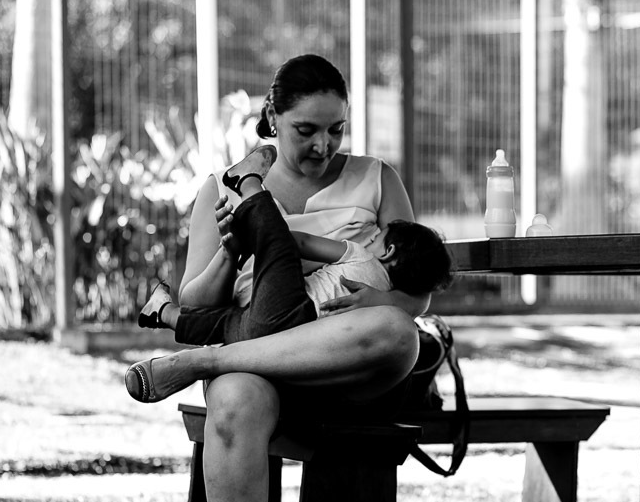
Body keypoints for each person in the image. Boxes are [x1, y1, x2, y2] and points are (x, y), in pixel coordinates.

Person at [125, 54, 433, 502]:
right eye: (306, 131)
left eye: (336, 130)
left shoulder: (377, 178)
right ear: (274, 116)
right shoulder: (219, 189)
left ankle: (207, 362)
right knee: (235, 399)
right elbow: (197, 298)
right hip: (260, 357)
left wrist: (372, 295)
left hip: (347, 363)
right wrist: (229, 250)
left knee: (399, 333)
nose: (323, 146)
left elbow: (418, 293)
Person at [132, 144, 452, 351]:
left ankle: (247, 184)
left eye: (380, 235)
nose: (323, 143)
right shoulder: (383, 299)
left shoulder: (363, 254)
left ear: (390, 251)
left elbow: (296, 242)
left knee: (278, 245)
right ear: (274, 117)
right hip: (287, 338)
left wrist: (255, 240)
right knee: (227, 326)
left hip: (291, 310)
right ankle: (163, 312)